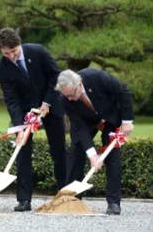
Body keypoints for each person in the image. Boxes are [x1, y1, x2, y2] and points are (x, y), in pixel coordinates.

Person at [0, 28, 66, 212]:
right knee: (22, 152)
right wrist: (19, 126)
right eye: (6, 53)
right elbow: (10, 98)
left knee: (58, 151)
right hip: (25, 112)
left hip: (50, 106)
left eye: (14, 51)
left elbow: (55, 76)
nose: (11, 56)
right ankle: (24, 199)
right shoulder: (1, 66)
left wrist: (47, 102)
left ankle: (65, 195)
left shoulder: (38, 51)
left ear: (19, 44)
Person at [56, 68, 134, 216]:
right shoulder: (65, 98)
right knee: (76, 150)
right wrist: (92, 155)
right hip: (85, 121)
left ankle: (113, 203)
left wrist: (127, 121)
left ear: (79, 85)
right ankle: (72, 199)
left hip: (110, 116)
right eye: (66, 96)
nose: (70, 99)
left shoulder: (97, 76)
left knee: (112, 155)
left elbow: (123, 91)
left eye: (72, 94)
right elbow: (79, 126)